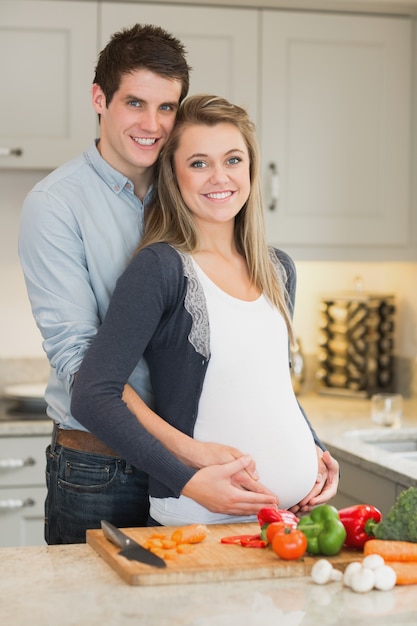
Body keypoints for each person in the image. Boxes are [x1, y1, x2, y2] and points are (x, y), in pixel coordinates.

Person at [19, 23, 323, 544]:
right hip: (101, 466)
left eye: (167, 108)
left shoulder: (191, 188)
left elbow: (256, 369)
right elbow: (83, 366)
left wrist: (308, 445)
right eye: (135, 103)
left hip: (193, 471)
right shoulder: (57, 205)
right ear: (99, 98)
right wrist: (187, 456)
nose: (153, 124)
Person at [71, 94, 340, 527]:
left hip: (284, 519)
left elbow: (271, 387)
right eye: (199, 163)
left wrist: (314, 449)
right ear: (174, 177)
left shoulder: (278, 269)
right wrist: (186, 481)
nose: (220, 177)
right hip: (200, 520)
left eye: (233, 159)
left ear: (251, 168)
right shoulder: (160, 268)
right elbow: (92, 395)